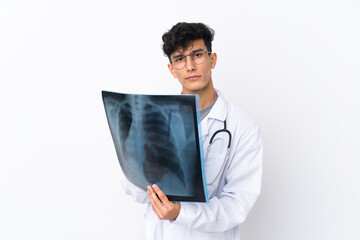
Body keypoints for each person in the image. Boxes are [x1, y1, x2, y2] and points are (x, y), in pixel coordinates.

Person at [122, 22, 263, 240]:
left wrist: (181, 212)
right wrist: (146, 168)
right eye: (179, 59)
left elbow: (237, 206)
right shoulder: (152, 119)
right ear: (172, 69)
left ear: (212, 59)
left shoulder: (242, 127)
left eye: (197, 55)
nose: (190, 66)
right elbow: (133, 189)